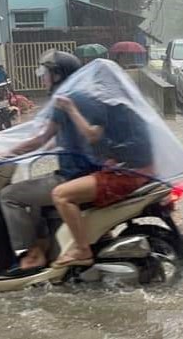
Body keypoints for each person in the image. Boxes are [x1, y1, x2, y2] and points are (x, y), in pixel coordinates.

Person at [0, 50, 101, 273]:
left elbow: (40, 138)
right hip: (86, 171)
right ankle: (47, 243)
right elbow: (61, 137)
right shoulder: (80, 96)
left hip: (72, 176)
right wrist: (46, 147)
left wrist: (4, 153)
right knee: (33, 196)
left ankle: (29, 251)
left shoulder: (64, 101)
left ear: (58, 75)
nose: (42, 77)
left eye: (47, 73)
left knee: (8, 196)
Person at [50, 102, 154, 267]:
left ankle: (82, 250)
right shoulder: (128, 103)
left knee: (60, 195)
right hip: (138, 170)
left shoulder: (108, 105)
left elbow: (92, 135)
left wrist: (71, 108)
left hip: (130, 174)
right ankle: (104, 237)